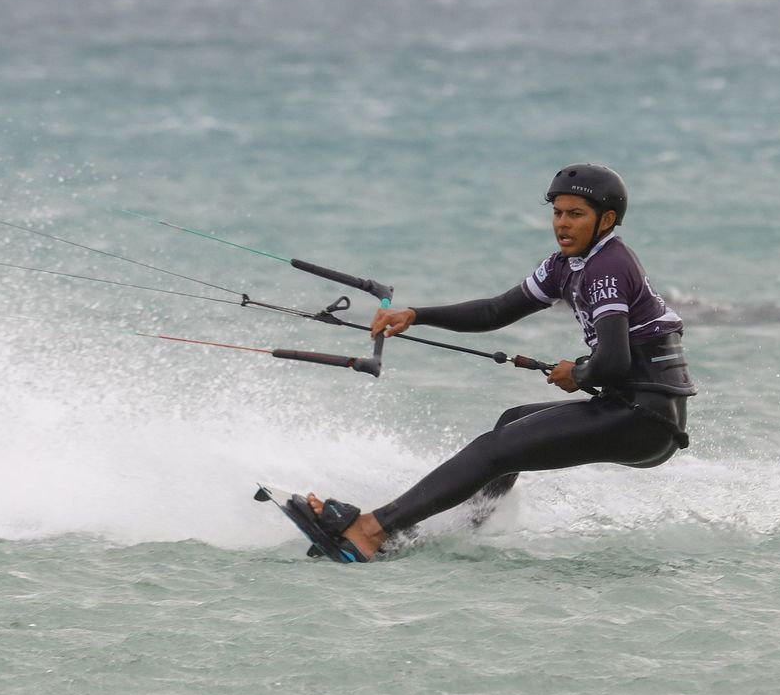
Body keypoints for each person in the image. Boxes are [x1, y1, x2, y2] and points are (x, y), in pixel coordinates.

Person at [295, 164, 696, 563]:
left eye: (576, 215)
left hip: (645, 419)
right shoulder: (564, 266)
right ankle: (462, 527)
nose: (562, 224)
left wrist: (577, 373)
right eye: (558, 213)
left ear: (606, 220)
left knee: (495, 449)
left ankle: (371, 530)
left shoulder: (607, 267)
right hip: (632, 410)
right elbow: (494, 311)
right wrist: (416, 315)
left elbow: (612, 362)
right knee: (511, 421)